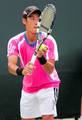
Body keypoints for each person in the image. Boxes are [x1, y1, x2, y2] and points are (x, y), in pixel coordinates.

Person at [7, 5, 60, 120]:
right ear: (24, 21)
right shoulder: (15, 41)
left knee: (48, 118)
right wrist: (22, 70)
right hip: (28, 88)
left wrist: (41, 58)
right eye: (32, 18)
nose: (36, 22)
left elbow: (50, 70)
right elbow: (11, 66)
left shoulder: (49, 41)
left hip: (48, 85)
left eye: (38, 19)